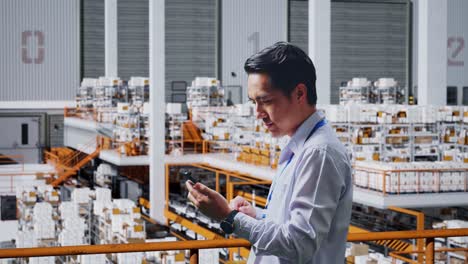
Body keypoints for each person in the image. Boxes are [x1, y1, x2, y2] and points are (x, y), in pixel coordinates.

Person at [186, 42, 353, 264]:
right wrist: (256, 216)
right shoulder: (298, 146)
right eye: (254, 102)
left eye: (265, 101)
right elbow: (291, 224)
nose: (258, 113)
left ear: (299, 93)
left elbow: (299, 244)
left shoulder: (319, 153)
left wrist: (229, 217)